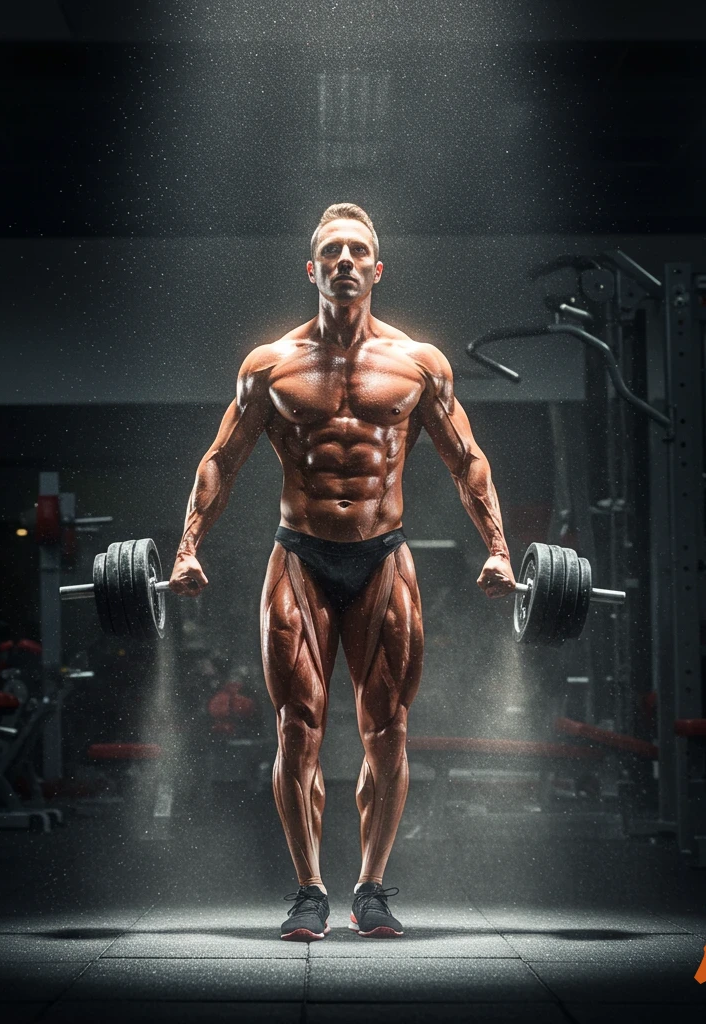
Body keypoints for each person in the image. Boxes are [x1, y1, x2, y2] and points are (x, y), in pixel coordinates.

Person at [168, 203, 515, 940]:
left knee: (387, 727)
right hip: (299, 555)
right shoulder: (271, 365)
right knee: (299, 726)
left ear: (378, 269)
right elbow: (221, 462)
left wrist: (499, 548)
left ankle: (373, 887)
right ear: (314, 269)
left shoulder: (420, 362)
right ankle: (308, 890)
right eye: (334, 252)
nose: (348, 261)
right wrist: (187, 546)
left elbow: (467, 461)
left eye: (360, 251)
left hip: (383, 555)